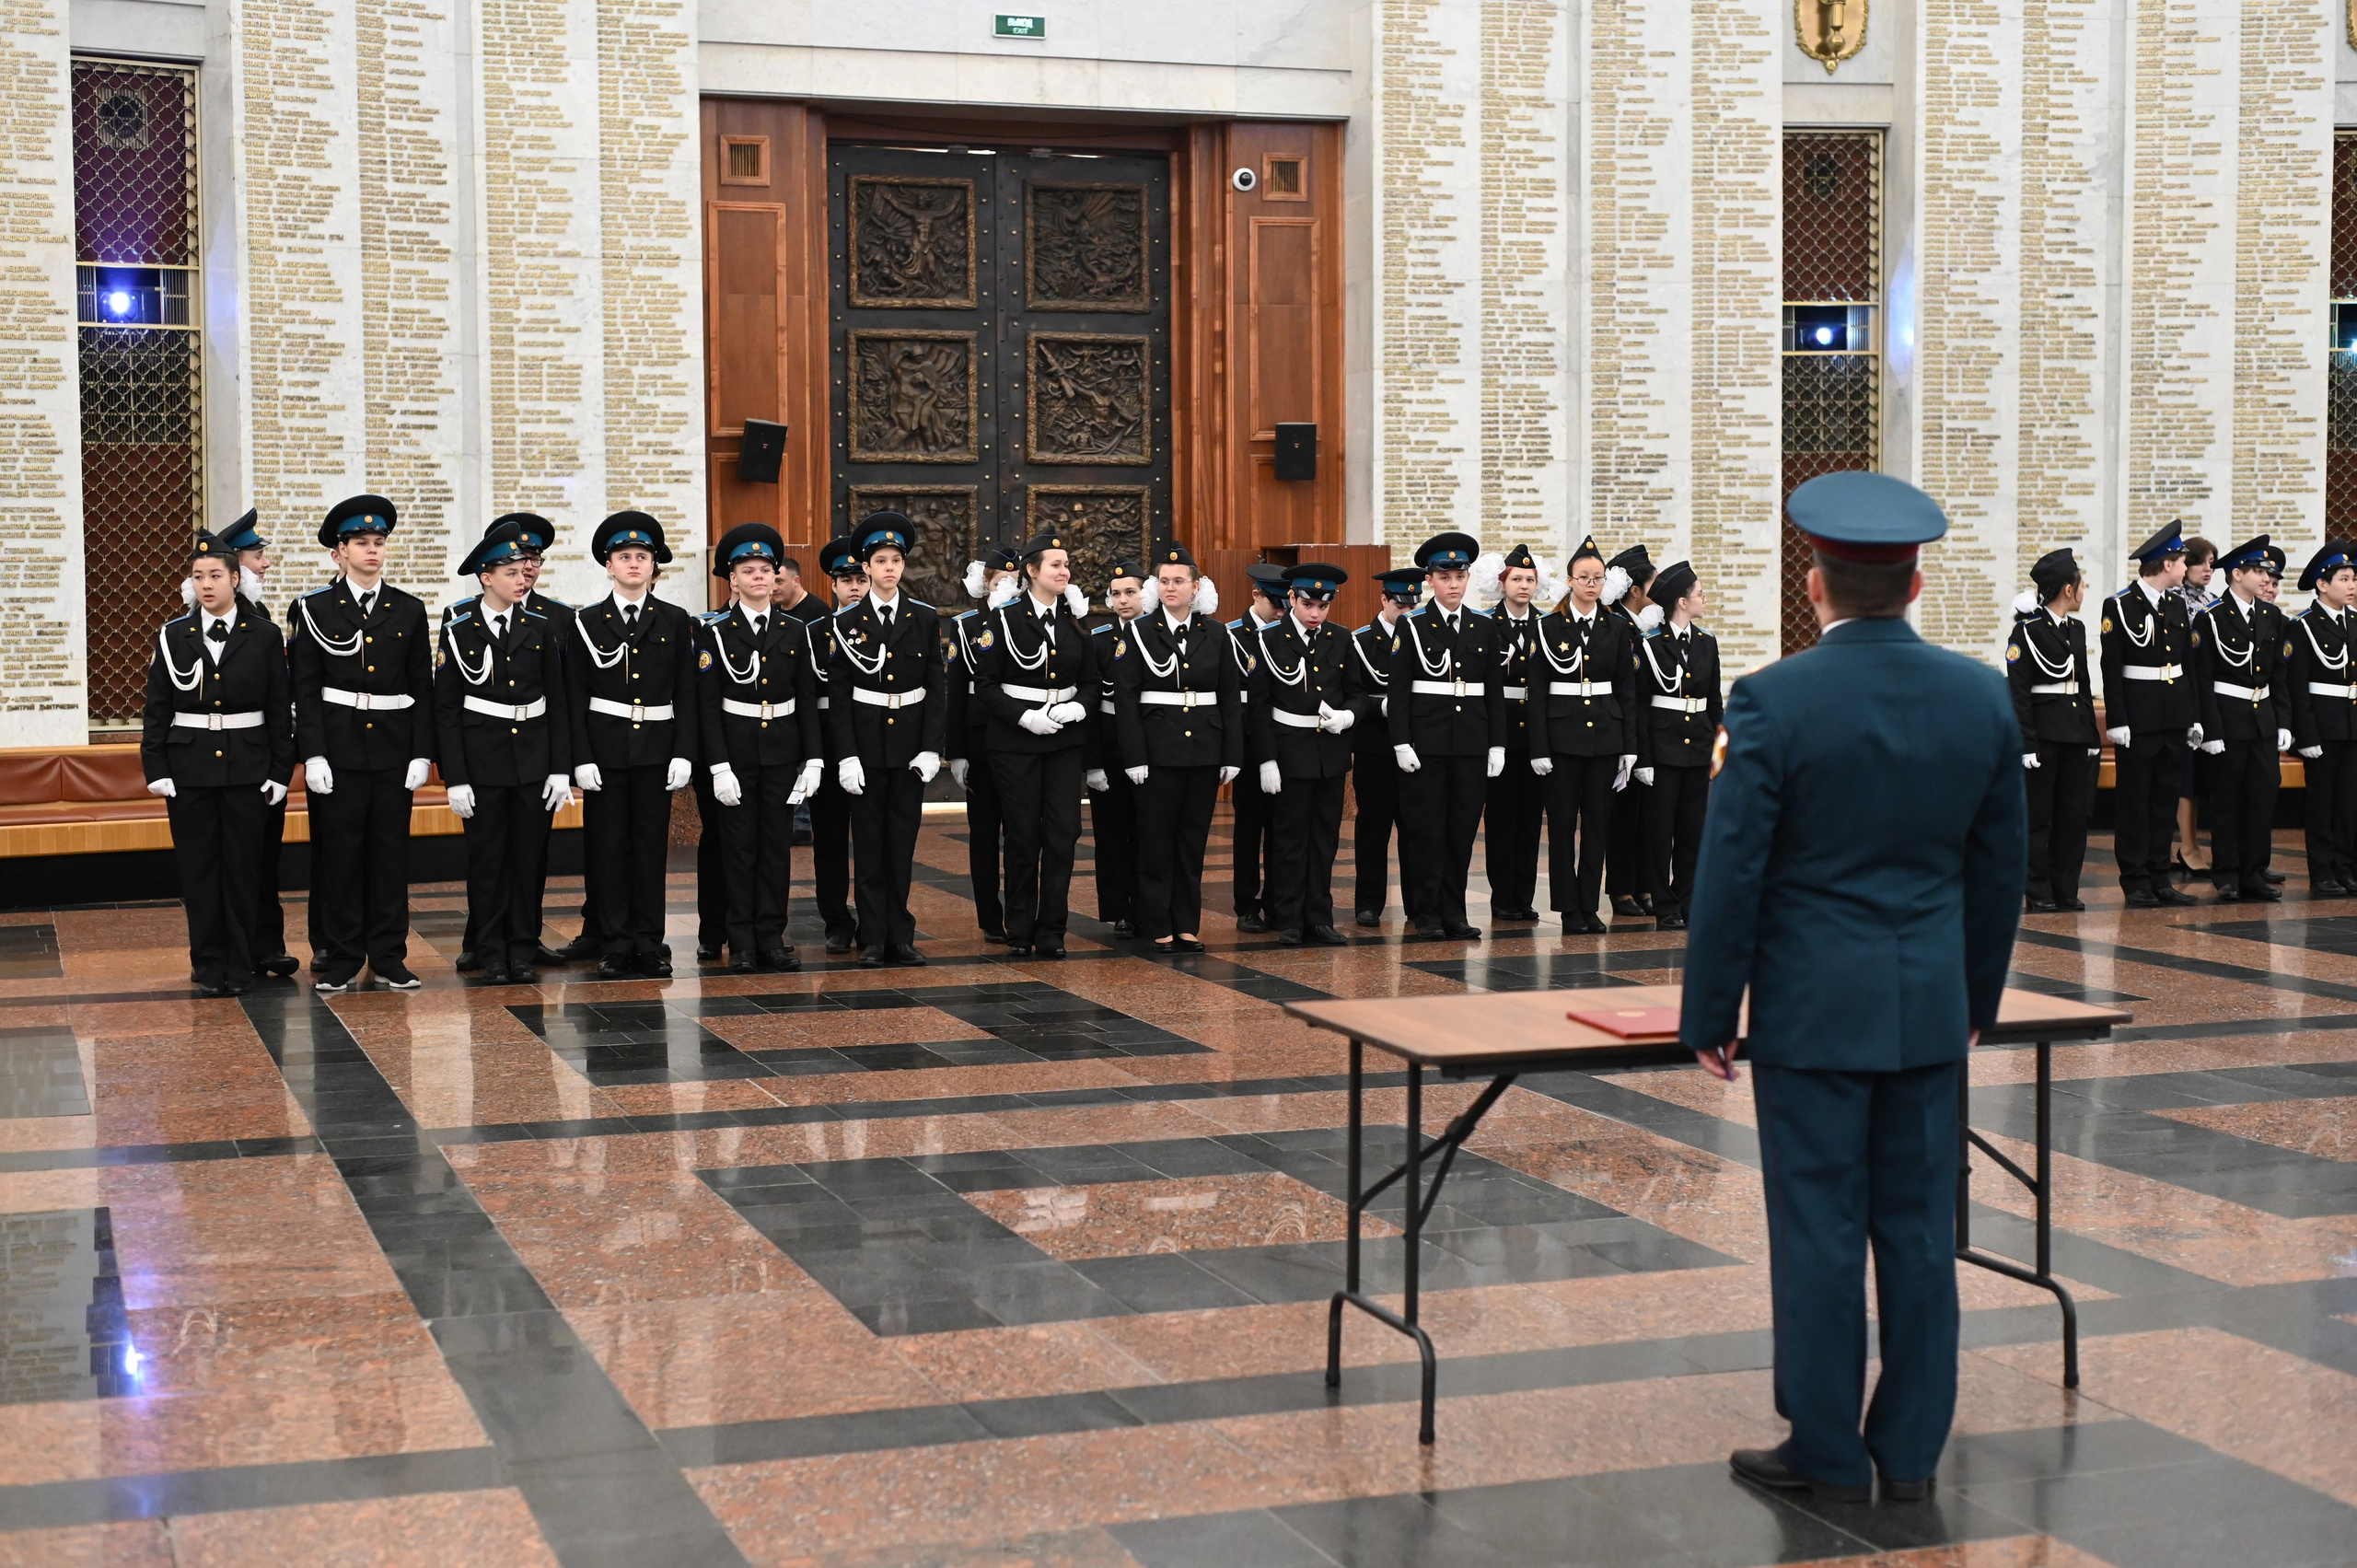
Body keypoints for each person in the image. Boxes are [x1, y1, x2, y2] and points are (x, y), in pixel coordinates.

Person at [1682, 470, 2025, 1505]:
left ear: (1813, 585)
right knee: (1920, 1233)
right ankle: (1911, 1452)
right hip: (1927, 1012)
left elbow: (1731, 870)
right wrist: (1974, 1001)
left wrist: (1711, 1010)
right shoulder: (1980, 694)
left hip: (1811, 1012)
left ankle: (1827, 1449)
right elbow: (1997, 872)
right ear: (1916, 584)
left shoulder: (1773, 699)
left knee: (1820, 1230)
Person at [286, 495, 434, 993]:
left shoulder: (409, 609)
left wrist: (421, 752)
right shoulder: (313, 609)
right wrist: (313, 754)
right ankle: (345, 955)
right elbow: (305, 689)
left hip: (393, 748)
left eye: (379, 542)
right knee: (340, 857)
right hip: (339, 749)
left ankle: (389, 956)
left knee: (391, 857)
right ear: (340, 553)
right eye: (361, 543)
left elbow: (421, 686)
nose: (373, 550)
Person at [144, 530, 296, 997]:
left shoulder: (264, 635)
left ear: (235, 579)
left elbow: (278, 708)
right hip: (189, 770)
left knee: (243, 869)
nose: (206, 584)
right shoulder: (173, 635)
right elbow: (157, 709)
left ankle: (241, 963)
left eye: (215, 575)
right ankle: (209, 965)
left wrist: (279, 772)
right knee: (200, 870)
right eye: (198, 576)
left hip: (248, 767)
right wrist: (157, 769)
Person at [435, 520, 575, 984]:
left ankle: (521, 948)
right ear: (486, 577)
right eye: (511, 572)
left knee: (528, 858)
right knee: (488, 861)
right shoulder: (459, 630)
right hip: (483, 763)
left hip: (533, 761)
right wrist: (455, 777)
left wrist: (559, 769)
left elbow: (557, 702)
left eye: (523, 571)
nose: (521, 578)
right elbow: (447, 709)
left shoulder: (539, 628)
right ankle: (491, 950)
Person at [566, 510, 700, 978]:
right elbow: (575, 696)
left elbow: (686, 693)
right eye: (624, 557)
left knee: (649, 849)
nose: (634, 564)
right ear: (609, 566)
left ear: (653, 565)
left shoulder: (675, 620)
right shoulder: (586, 622)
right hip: (604, 752)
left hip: (656, 751)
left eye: (642, 556)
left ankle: (648, 942)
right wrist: (580, 758)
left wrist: (684, 752)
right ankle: (615, 943)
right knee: (607, 849)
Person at [696, 523, 825, 972]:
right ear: (732, 580)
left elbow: (806, 699)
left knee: (775, 847)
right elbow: (707, 706)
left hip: (781, 753)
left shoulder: (795, 630)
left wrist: (813, 759)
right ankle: (741, 941)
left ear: (776, 578)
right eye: (748, 571)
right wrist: (718, 766)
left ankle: (771, 936)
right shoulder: (714, 632)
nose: (758, 577)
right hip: (735, 754)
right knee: (737, 848)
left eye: (765, 570)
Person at [969, 531, 1096, 958]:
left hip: (1064, 742)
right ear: (1032, 571)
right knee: (1023, 835)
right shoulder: (1003, 620)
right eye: (1056, 565)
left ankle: (1052, 929)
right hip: (1015, 743)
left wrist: (1078, 707)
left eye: (1066, 564)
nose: (1065, 571)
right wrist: (1024, 717)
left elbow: (1092, 682)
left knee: (1063, 835)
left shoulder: (1075, 620)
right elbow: (986, 685)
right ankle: (1020, 928)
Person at [827, 514, 946, 967]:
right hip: (866, 747)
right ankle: (873, 937)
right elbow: (839, 697)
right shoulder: (847, 621)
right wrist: (847, 756)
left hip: (909, 749)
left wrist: (932, 747)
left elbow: (936, 688)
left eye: (896, 560)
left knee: (902, 844)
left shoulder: (924, 617)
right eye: (880, 561)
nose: (890, 568)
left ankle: (901, 935)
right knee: (870, 845)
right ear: (867, 567)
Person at [186, 509, 299, 980]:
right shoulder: (190, 626)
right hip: (218, 764)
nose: (264, 564)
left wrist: (280, 763)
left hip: (257, 759)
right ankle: (239, 950)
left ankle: (263, 943)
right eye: (256, 556)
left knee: (260, 858)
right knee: (230, 862)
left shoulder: (260, 620)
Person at [1113, 541, 1242, 953]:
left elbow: (1229, 696)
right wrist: (1134, 755)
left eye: (1179, 581)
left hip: (1203, 749)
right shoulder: (1139, 631)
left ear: (1196, 586)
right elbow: (1126, 699)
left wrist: (1232, 754)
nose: (1171, 588)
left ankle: (1186, 924)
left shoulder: (1216, 633)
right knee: (1156, 841)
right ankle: (1157, 923)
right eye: (1164, 582)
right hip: (1157, 752)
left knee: (1192, 840)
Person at [1388, 530, 1502, 939]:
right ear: (1430, 581)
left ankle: (1454, 912)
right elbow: (1399, 690)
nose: (1453, 585)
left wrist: (1497, 744)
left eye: (1459, 576)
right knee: (1426, 831)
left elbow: (1493, 691)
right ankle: (1427, 913)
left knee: (1461, 831)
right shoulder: (1413, 624)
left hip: (1470, 743)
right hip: (1427, 744)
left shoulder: (1483, 626)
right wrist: (1401, 741)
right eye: (1445, 577)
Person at [1248, 563, 1364, 946]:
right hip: (1289, 752)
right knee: (1289, 839)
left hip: (1329, 753)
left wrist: (1347, 716)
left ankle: (1319, 917)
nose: (1316, 613)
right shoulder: (1269, 639)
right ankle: (1288, 918)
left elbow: (1357, 693)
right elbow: (1259, 707)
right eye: (1309, 605)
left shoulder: (1341, 638)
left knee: (1324, 839)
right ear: (1293, 599)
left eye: (1323, 606)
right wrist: (1267, 759)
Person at [1529, 537, 1638, 934]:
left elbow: (1626, 689)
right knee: (1561, 827)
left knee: (1597, 826)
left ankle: (1589, 906)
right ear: (1570, 581)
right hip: (1561, 739)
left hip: (1605, 738)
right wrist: (1539, 747)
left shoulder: (1617, 627)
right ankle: (1568, 908)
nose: (1591, 584)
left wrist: (1629, 748)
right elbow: (1537, 691)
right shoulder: (1547, 628)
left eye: (1598, 578)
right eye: (1584, 577)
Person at [2100, 521, 2203, 908]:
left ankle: (2160, 876)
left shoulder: (2176, 605)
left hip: (2173, 716)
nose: (2186, 567)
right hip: (2139, 719)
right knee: (2135, 801)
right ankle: (2135, 879)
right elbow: (2112, 668)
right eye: (2182, 561)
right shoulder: (2120, 605)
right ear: (2167, 564)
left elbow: (2187, 666)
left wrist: (2193, 717)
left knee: (2164, 800)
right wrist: (2118, 720)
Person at [2006, 549, 2101, 913]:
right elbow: (2019, 693)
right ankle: (2038, 888)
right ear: (2068, 589)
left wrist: (2091, 735)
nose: (2083, 591)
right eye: (2081, 585)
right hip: (2044, 737)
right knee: (2039, 817)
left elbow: (2083, 686)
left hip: (2074, 734)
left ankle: (2066, 888)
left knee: (2072, 816)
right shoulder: (2027, 631)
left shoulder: (2076, 629)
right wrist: (2026, 743)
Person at [2194, 535, 2286, 903]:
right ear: (2236, 574)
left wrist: (2284, 723)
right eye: (2258, 572)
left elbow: (2278, 676)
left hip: (2262, 720)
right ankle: (2227, 873)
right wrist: (2211, 729)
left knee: (2262, 796)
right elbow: (2203, 679)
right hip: (2228, 719)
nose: (2266, 579)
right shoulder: (2211, 618)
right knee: (2227, 800)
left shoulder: (2271, 616)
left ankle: (2253, 872)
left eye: (2266, 573)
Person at [1631, 560, 1721, 931]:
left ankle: (1688, 900)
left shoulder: (1706, 642)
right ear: (1682, 602)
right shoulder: (1650, 644)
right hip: (1662, 749)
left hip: (1698, 747)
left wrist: (1718, 751)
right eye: (1700, 594)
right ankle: (1664, 903)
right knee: (1659, 832)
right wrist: (1643, 758)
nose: (1704, 600)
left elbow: (1713, 701)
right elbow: (1640, 705)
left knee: (1692, 831)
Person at [946, 545, 1019, 944]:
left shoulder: (1026, 621)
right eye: (1000, 581)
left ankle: (1021, 912)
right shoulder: (968, 626)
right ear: (985, 584)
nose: (1007, 588)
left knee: (1023, 831)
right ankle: (990, 916)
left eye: (1014, 581)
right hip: (981, 740)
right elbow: (956, 691)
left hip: (1021, 736)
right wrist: (956, 752)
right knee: (985, 833)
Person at [1351, 567, 1423, 927]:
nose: (1407, 613)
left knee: (1416, 830)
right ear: (1384, 600)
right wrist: (1383, 707)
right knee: (1373, 829)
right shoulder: (1362, 641)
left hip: (1416, 747)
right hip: (1376, 748)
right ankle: (1368, 903)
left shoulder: (1424, 635)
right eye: (1399, 605)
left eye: (1412, 606)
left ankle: (1418, 904)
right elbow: (1352, 694)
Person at [1480, 544, 1548, 923]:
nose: (1524, 586)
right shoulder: (1486, 624)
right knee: (1502, 819)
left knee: (1530, 820)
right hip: (1501, 731)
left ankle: (1524, 896)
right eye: (1517, 579)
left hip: (1535, 735)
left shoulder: (1546, 625)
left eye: (1530, 580)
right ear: (1502, 583)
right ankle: (1502, 897)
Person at [804, 538, 865, 951]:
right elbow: (807, 698)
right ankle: (837, 922)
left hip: (871, 740)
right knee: (829, 840)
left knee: (873, 839)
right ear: (833, 585)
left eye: (861, 579)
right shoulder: (814, 632)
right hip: (828, 745)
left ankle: (874, 917)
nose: (855, 587)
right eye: (847, 580)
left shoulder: (883, 625)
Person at [2288, 541, 2357, 897]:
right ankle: (2323, 871)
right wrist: (2307, 735)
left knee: (2349, 803)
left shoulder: (2354, 622)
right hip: (2323, 728)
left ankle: (2346, 867)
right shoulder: (2303, 626)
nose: (2352, 585)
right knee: (2322, 802)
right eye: (2344, 579)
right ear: (2322, 584)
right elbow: (2297, 688)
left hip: (2352, 726)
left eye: (2353, 579)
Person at [1087, 559, 1148, 935]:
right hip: (1111, 747)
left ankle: (1147, 905)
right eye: (1116, 594)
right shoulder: (1099, 640)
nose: (1123, 600)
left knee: (1148, 831)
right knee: (1111, 833)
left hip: (1151, 744)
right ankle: (1119, 909)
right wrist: (1093, 762)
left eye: (1130, 592)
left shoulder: (1156, 634)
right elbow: (1092, 705)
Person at [1228, 563, 1288, 931]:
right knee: (1249, 830)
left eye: (1286, 604)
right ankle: (1247, 905)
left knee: (1282, 829)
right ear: (1256, 595)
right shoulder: (1232, 636)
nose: (1281, 611)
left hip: (1284, 743)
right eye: (1275, 603)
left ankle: (1277, 903)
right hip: (1248, 747)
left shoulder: (1287, 633)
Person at [1602, 542, 1660, 918]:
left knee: (1647, 815)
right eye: (1654, 585)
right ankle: (1621, 888)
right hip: (1623, 730)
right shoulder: (1618, 627)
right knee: (1623, 815)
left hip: (1650, 730)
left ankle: (1645, 884)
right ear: (1635, 591)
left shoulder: (1648, 626)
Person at [2173, 535, 2221, 876]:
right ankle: (2187, 846)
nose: (2207, 569)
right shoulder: (2173, 600)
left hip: (2210, 694)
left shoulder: (2214, 601)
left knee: (2207, 774)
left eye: (2211, 564)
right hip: (2182, 692)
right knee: (2184, 774)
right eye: (2201, 562)